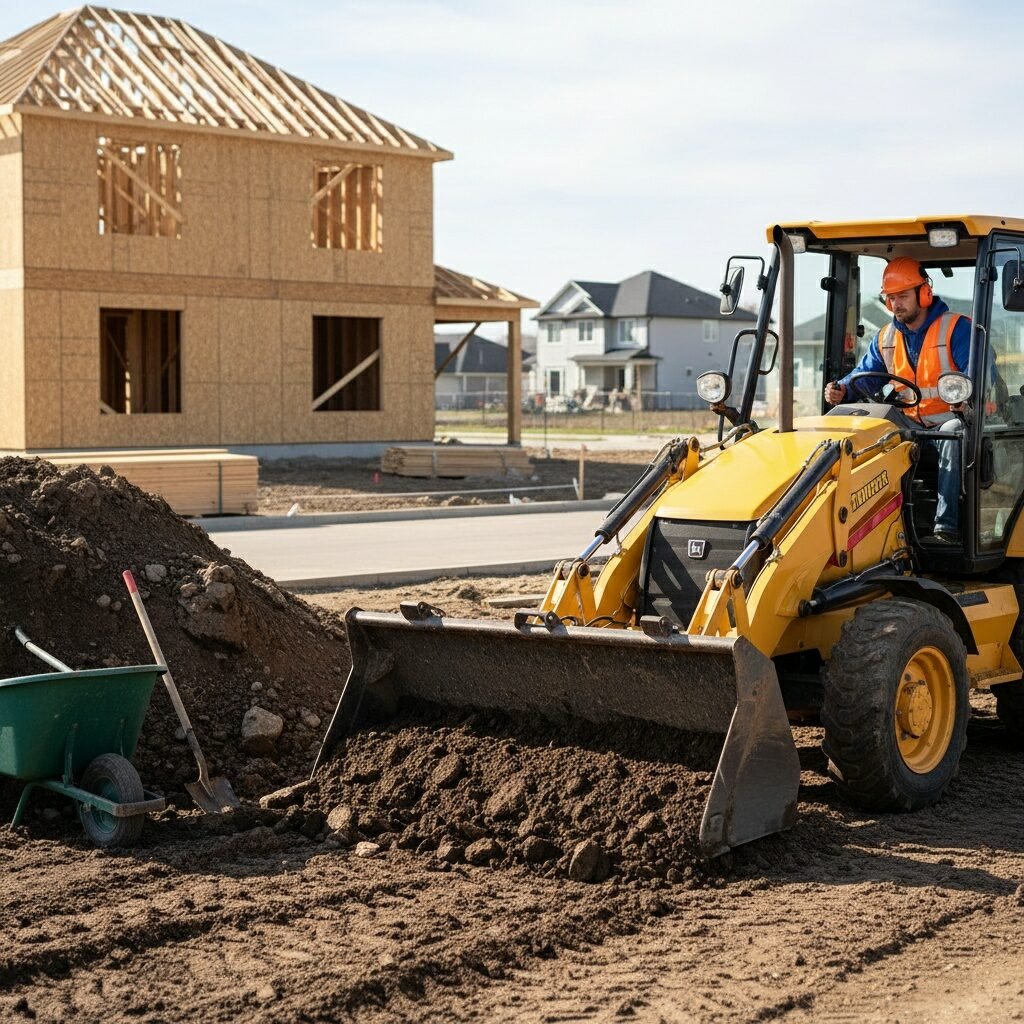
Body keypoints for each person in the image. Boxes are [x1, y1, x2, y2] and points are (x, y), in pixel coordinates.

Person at [823, 258, 971, 544]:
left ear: (924, 293)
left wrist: (967, 398)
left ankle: (946, 528)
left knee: (955, 432)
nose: (896, 304)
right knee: (869, 426)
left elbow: (975, 376)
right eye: (890, 298)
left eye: (902, 296)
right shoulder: (885, 338)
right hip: (908, 427)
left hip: (948, 427)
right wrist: (841, 389)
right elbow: (864, 376)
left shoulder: (957, 329)